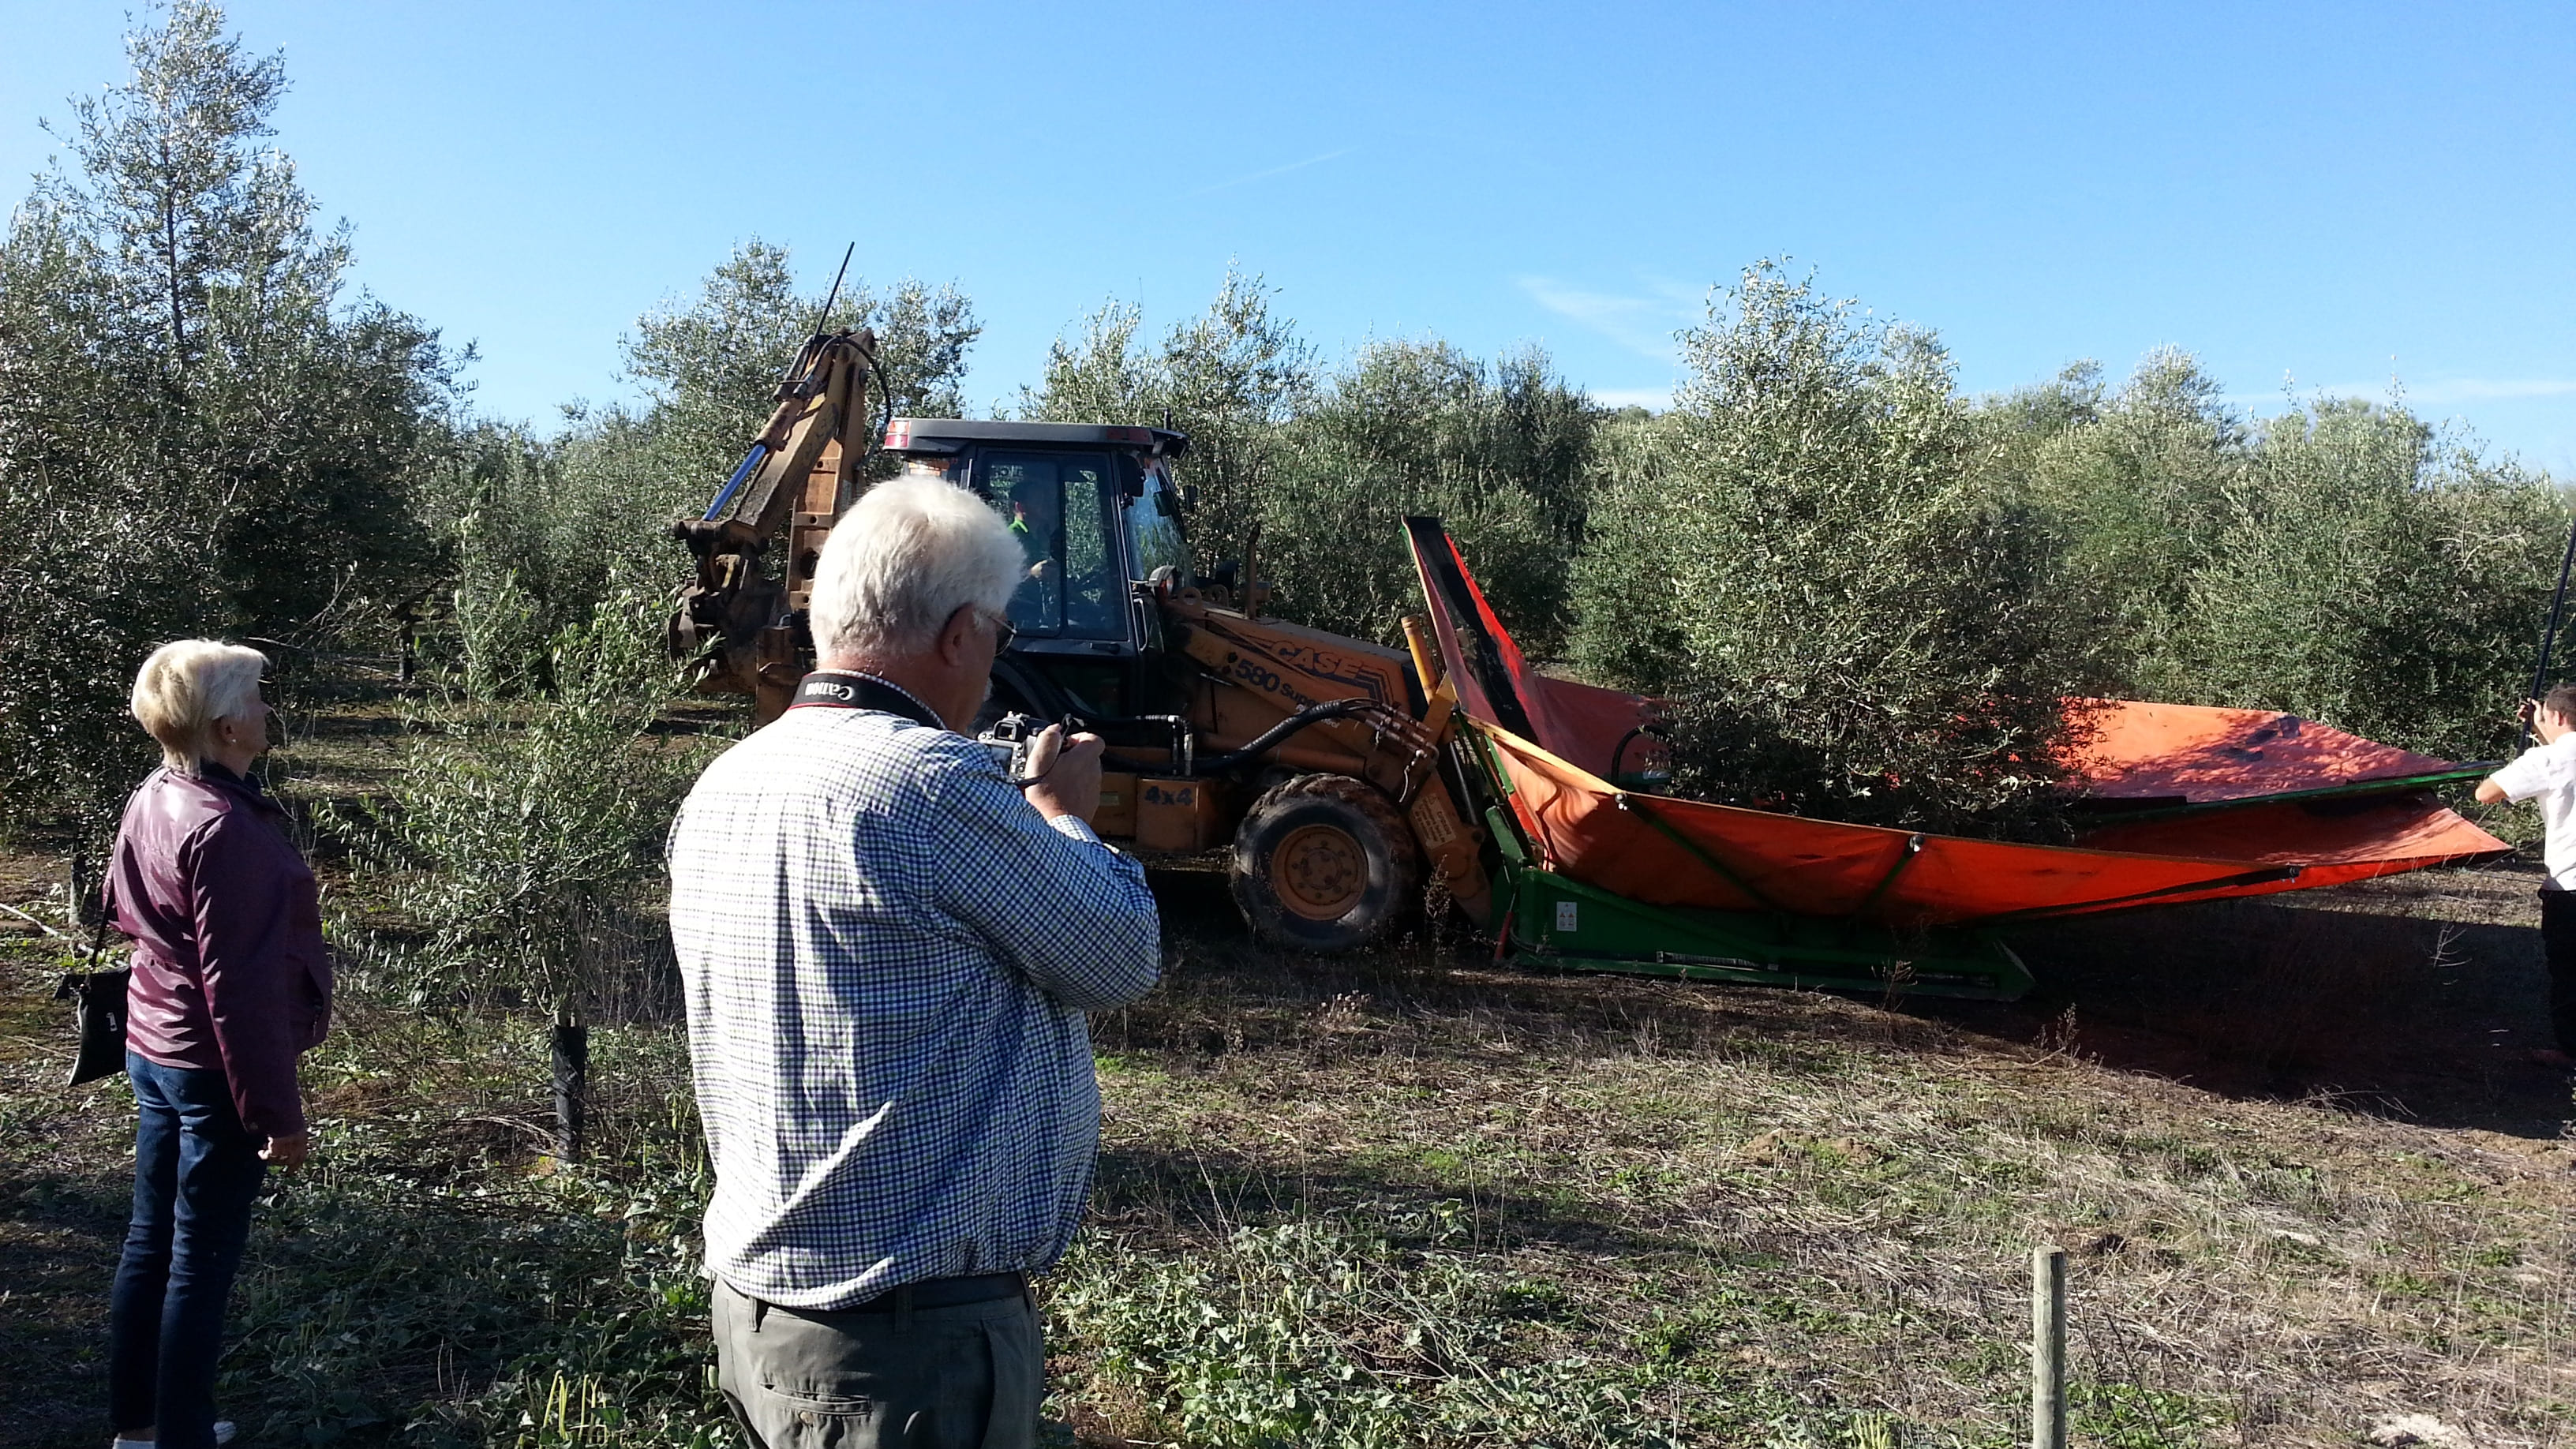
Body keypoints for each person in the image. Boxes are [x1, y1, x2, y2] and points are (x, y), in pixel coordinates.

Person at [667, 475, 1163, 1449]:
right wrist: (1061, 817)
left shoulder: (728, 779)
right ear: (962, 634)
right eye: (1001, 634)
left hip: (766, 1314)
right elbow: (1120, 959)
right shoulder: (932, 786)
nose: (995, 657)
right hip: (905, 1349)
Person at [107, 640, 331, 1449]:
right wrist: (277, 1116)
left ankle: (139, 1427)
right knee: (198, 1259)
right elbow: (240, 994)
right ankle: (182, 1436)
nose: (269, 710)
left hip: (154, 1046)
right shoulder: (226, 828)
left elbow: (123, 908)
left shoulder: (155, 793)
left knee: (151, 1239)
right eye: (258, 698)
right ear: (228, 725)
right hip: (210, 1066)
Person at [2476, 683, 2576, 1069]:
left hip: (2570, 886)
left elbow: (2487, 793)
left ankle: (2571, 1050)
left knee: (2569, 970)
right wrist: (2542, 730)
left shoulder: (2547, 759)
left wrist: (2538, 741)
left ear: (2557, 716)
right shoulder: (2553, 753)